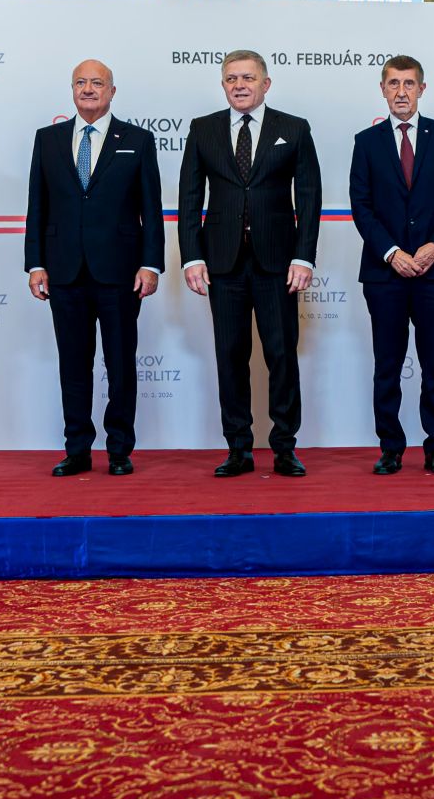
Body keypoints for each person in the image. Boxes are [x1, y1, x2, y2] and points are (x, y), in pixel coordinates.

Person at [179, 49, 322, 478]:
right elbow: (189, 199)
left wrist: (303, 256)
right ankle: (238, 447)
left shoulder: (293, 129)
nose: (239, 85)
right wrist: (192, 256)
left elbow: (310, 198)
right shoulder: (202, 129)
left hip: (278, 263)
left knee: (281, 356)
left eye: (248, 77)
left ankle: (283, 447)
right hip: (222, 263)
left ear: (266, 83)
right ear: (223, 84)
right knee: (230, 355)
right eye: (231, 78)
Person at [25, 59, 164, 477]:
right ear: (72, 90)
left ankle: (119, 450)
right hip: (63, 271)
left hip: (120, 272)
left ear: (112, 91)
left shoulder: (137, 140)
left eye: (97, 82)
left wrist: (151, 264)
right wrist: (35, 264)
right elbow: (37, 206)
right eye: (81, 82)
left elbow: (151, 210)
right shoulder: (47, 139)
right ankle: (77, 449)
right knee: (73, 364)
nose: (88, 89)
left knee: (120, 364)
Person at [349, 55, 434, 475]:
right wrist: (392, 253)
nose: (401, 91)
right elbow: (360, 207)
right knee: (388, 364)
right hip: (385, 274)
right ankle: (391, 448)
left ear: (422, 89)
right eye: (394, 83)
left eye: (409, 84)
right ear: (383, 89)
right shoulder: (366, 141)